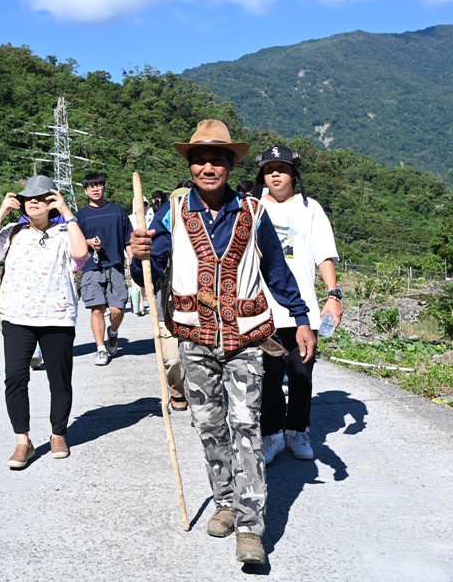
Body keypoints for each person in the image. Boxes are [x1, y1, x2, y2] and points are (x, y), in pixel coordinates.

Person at [131, 119, 315, 566]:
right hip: (193, 339)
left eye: (217, 159)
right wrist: (137, 254)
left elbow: (276, 270)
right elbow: (147, 272)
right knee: (210, 428)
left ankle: (251, 529)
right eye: (200, 159)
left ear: (231, 164)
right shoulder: (171, 212)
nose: (208, 167)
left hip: (247, 340)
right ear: (190, 165)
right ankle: (225, 502)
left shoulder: (254, 212)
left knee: (247, 429)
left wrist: (303, 318)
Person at [0, 175, 88, 469]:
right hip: (16, 317)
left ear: (52, 202)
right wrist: (1, 212)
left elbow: (81, 253)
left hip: (57, 317)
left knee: (60, 381)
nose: (34, 201)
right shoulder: (13, 233)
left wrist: (66, 211)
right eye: (29, 198)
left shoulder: (66, 232)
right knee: (15, 379)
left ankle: (58, 434)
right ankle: (23, 441)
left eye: (42, 197)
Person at [255, 146, 343, 464]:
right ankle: (272, 434)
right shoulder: (252, 208)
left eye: (282, 167)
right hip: (261, 310)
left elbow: (324, 255)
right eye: (269, 169)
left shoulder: (311, 209)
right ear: (262, 175)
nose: (275, 173)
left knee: (301, 374)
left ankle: (298, 429)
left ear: (294, 173)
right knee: (268, 377)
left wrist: (333, 296)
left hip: (302, 310)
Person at [75, 172, 132, 366]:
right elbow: (73, 242)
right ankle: (100, 348)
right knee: (97, 309)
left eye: (98, 185)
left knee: (117, 309)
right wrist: (88, 242)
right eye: (91, 186)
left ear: (104, 187)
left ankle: (113, 333)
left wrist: (132, 262)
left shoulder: (118, 211)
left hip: (115, 265)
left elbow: (128, 240)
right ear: (85, 190)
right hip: (91, 267)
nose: (95, 189)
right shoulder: (80, 216)